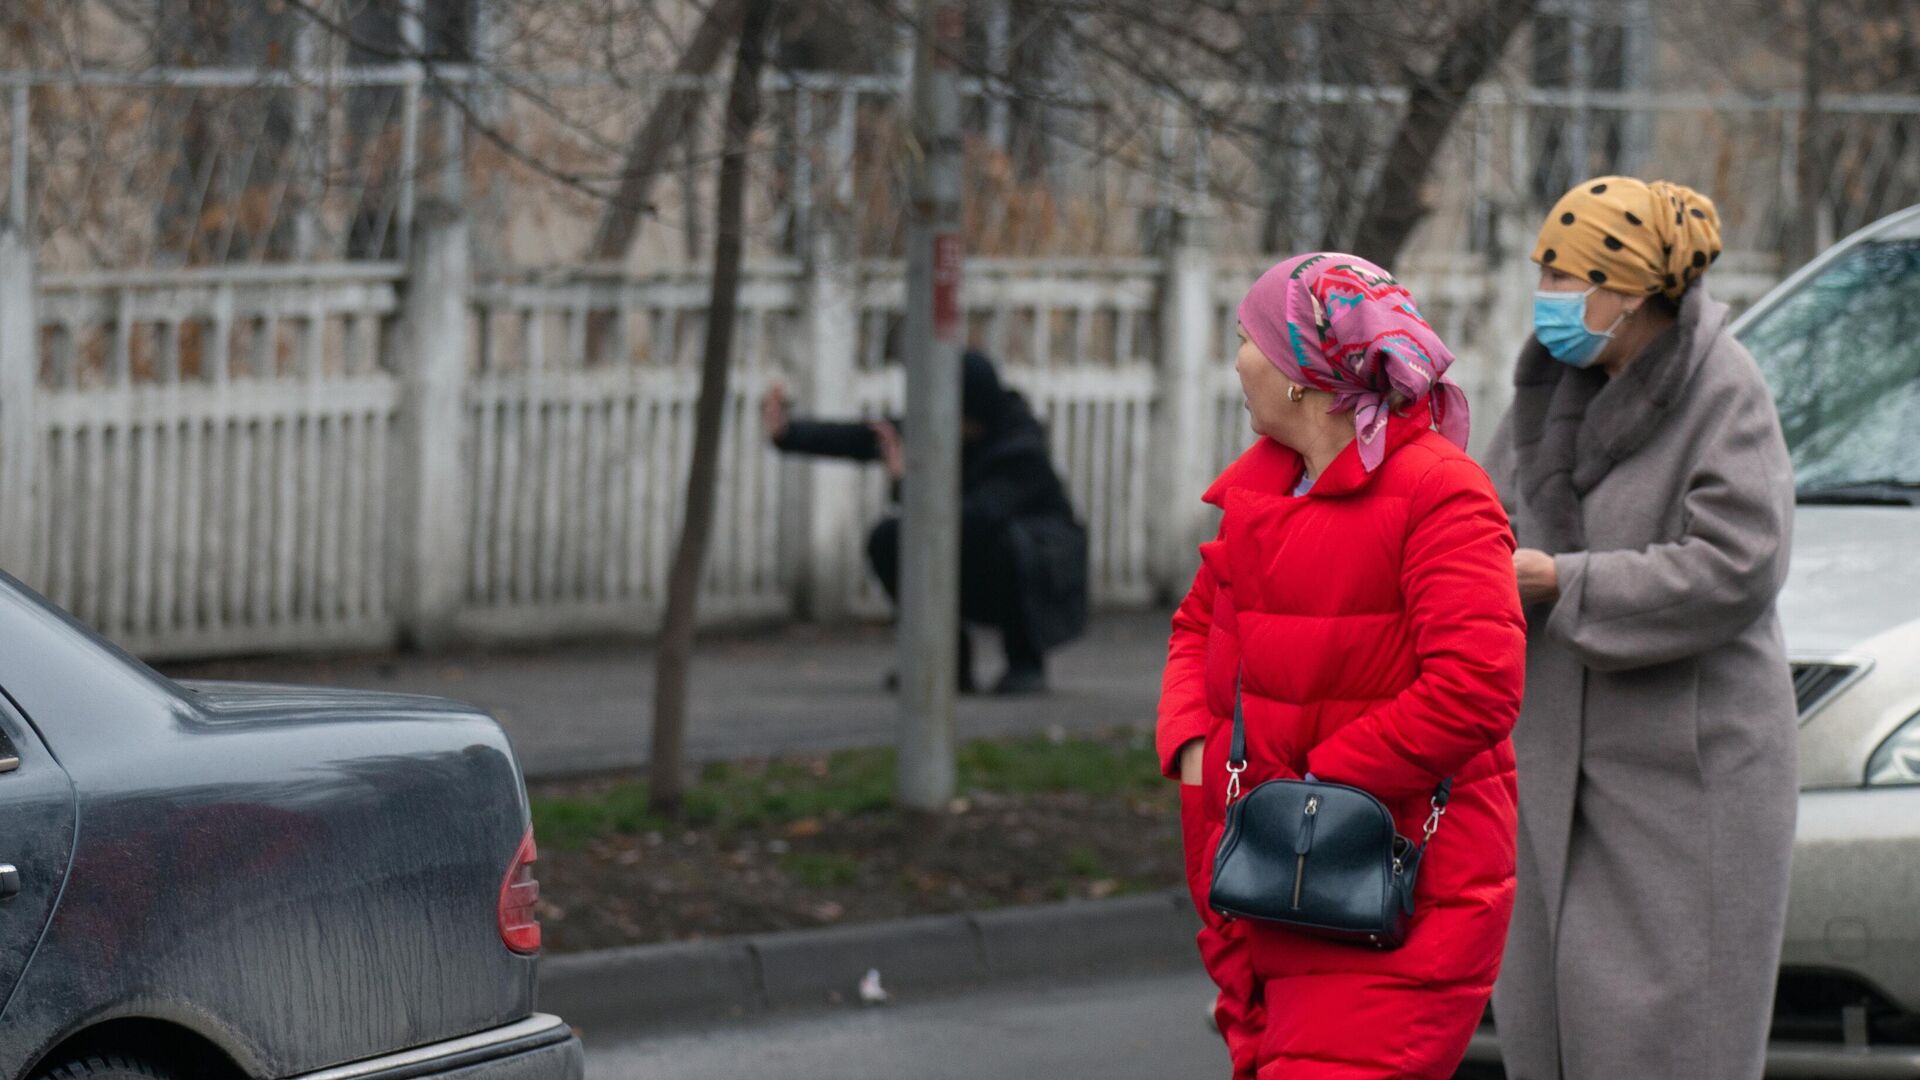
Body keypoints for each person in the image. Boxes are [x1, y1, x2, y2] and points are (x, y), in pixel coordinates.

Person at [1160, 253, 1527, 1079]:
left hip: (1388, 893)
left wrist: (1316, 792)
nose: (1237, 361)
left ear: (1301, 373)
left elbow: (1477, 685)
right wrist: (1193, 753)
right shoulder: (1267, 487)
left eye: (1250, 339)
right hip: (1260, 885)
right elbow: (1196, 627)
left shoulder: (1441, 492)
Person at [1483, 177, 1798, 1080]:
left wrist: (1563, 581)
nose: (1545, 292)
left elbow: (1736, 564)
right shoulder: (1551, 387)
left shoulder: (1723, 388)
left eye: (1561, 273)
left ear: (1628, 292)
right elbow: (1489, 507)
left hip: (1685, 775)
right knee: (1552, 1029)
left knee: (1664, 1039)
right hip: (1553, 766)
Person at [762, 351, 1088, 695]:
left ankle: (1026, 661)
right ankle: (944, 661)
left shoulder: (1020, 449)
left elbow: (971, 520)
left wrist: (907, 485)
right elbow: (871, 437)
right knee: (890, 539)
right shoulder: (945, 428)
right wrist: (788, 434)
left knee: (1007, 547)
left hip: (1041, 577)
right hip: (977, 559)